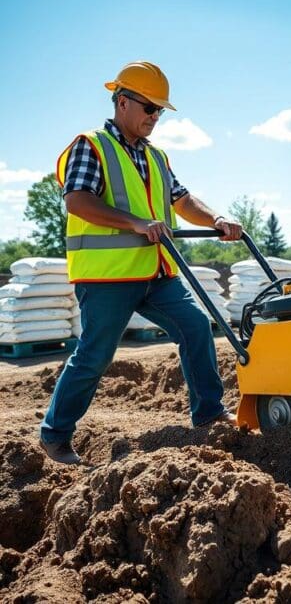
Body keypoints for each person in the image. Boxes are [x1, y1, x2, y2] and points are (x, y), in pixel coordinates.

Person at [39, 61, 242, 465]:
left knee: (196, 325)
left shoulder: (156, 157)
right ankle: (55, 436)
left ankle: (208, 413)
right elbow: (78, 200)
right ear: (121, 101)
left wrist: (216, 218)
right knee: (95, 355)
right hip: (108, 276)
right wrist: (134, 223)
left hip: (156, 271)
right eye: (149, 108)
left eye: (159, 111)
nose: (154, 117)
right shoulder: (91, 146)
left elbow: (181, 200)